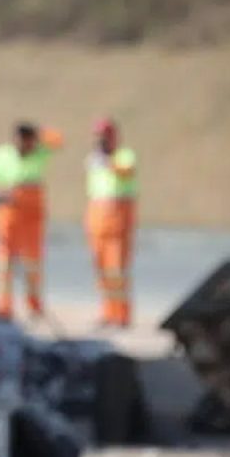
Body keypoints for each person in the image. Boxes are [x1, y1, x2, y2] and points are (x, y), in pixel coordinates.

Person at [0, 122, 64, 319]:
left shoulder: (39, 153)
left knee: (32, 263)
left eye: (28, 141)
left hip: (32, 215)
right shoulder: (0, 155)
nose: (24, 146)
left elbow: (58, 139)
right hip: (8, 211)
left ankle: (34, 305)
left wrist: (38, 132)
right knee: (5, 262)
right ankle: (4, 306)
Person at [85, 117, 138, 328]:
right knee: (101, 268)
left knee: (117, 269)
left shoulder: (124, 156)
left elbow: (126, 171)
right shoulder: (93, 159)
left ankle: (121, 314)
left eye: (104, 136)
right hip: (97, 216)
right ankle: (107, 312)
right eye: (98, 137)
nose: (100, 141)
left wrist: (108, 161)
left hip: (118, 217)